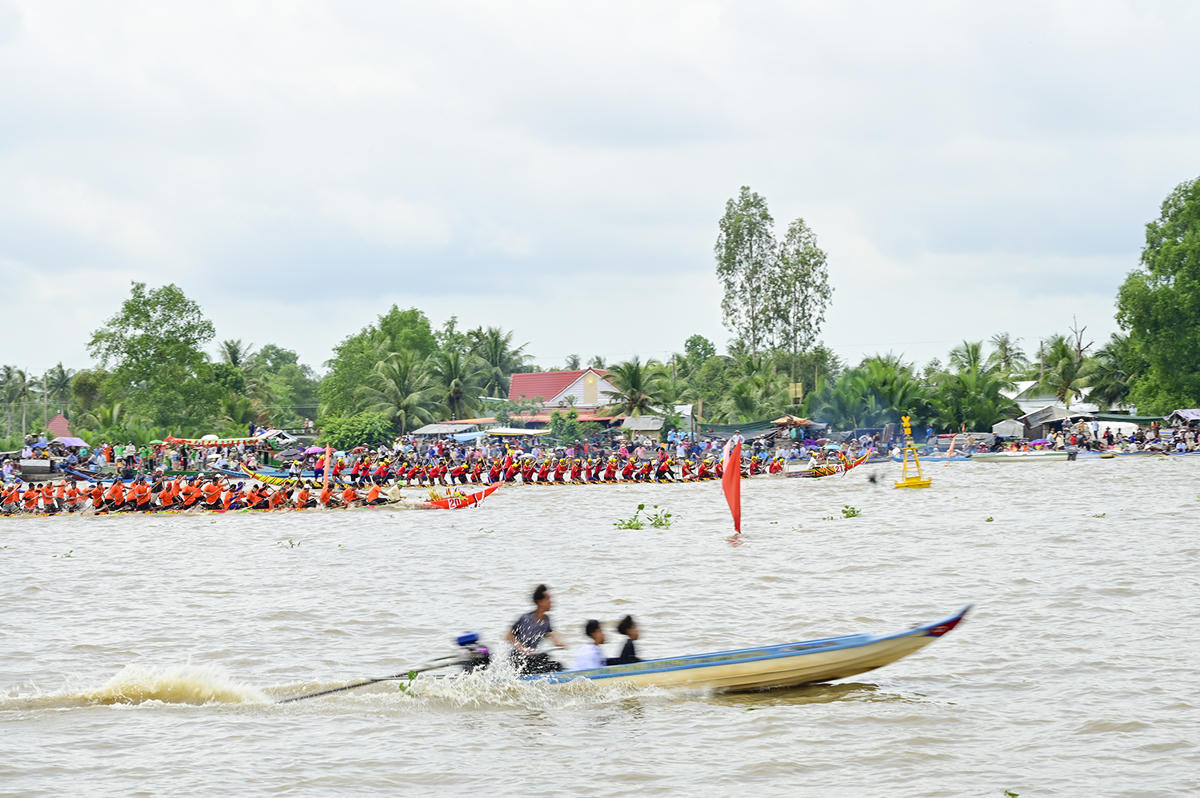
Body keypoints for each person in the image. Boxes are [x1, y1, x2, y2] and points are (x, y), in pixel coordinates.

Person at [505, 584, 566, 674]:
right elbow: (508, 635)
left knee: (556, 665)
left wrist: (557, 642)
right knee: (552, 667)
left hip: (532, 658)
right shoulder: (525, 618)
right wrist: (522, 649)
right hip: (519, 659)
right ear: (540, 602)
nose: (551, 602)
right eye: (548, 599)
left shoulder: (547, 620)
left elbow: (550, 633)